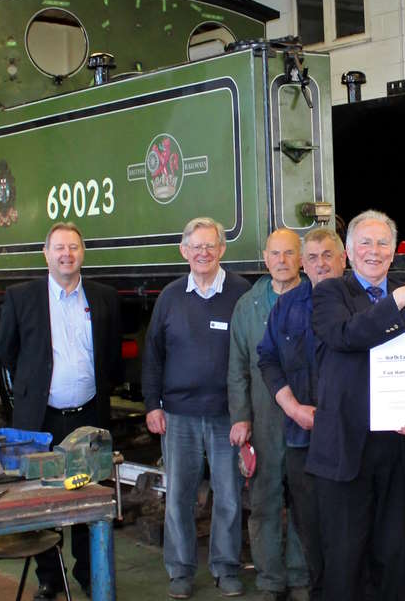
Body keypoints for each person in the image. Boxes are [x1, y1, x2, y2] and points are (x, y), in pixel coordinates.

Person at [307, 211, 405, 601]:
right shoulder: (330, 293)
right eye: (365, 243)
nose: (374, 251)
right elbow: (346, 335)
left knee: (392, 554)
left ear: (393, 252)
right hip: (345, 451)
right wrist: (399, 300)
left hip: (398, 448)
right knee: (345, 559)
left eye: (383, 243)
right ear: (349, 252)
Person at [0, 222, 123, 600]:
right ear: (46, 254)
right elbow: (6, 351)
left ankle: (87, 573)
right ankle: (50, 577)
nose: (66, 254)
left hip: (88, 417)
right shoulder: (22, 297)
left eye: (73, 247)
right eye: (59, 248)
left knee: (88, 497)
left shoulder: (103, 298)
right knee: (42, 500)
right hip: (42, 419)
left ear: (82, 253)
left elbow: (112, 356)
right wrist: (33, 388)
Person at [142, 218, 252, 600]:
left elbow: (252, 354)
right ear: (184, 251)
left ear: (222, 250)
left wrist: (246, 412)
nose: (204, 253)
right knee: (179, 497)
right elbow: (153, 355)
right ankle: (181, 571)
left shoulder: (241, 292)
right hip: (178, 415)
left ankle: (225, 568)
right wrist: (152, 405)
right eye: (196, 246)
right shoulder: (170, 297)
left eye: (211, 246)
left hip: (226, 415)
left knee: (229, 495)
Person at [258, 227, 349, 601]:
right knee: (311, 530)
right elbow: (267, 359)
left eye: (328, 255)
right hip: (303, 440)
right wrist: (292, 407)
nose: (320, 263)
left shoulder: (363, 302)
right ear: (302, 263)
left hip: (352, 442)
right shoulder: (287, 306)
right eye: (311, 257)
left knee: (350, 530)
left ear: (343, 259)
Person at [227, 229, 310, 600]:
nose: (281, 260)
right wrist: (241, 417)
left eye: (289, 253)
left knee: (303, 501)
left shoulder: (315, 299)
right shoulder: (248, 305)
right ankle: (269, 580)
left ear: (301, 258)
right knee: (264, 502)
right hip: (262, 419)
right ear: (265, 257)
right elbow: (237, 368)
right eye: (275, 253)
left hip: (304, 418)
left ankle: (299, 575)